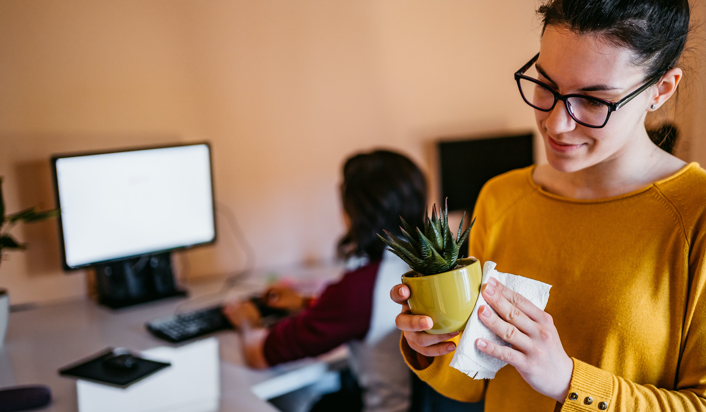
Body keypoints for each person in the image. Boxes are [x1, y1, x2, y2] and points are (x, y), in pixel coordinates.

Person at [391, 0, 706, 411]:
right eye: (547, 84)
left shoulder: (695, 214)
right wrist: (431, 343)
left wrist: (568, 382)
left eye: (594, 100)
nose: (556, 123)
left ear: (661, 89)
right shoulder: (501, 198)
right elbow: (472, 385)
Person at [223, 149, 427, 412]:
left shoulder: (359, 288)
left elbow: (259, 354)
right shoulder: (432, 266)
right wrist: (308, 303)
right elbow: (362, 312)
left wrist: (248, 321)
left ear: (355, 212)